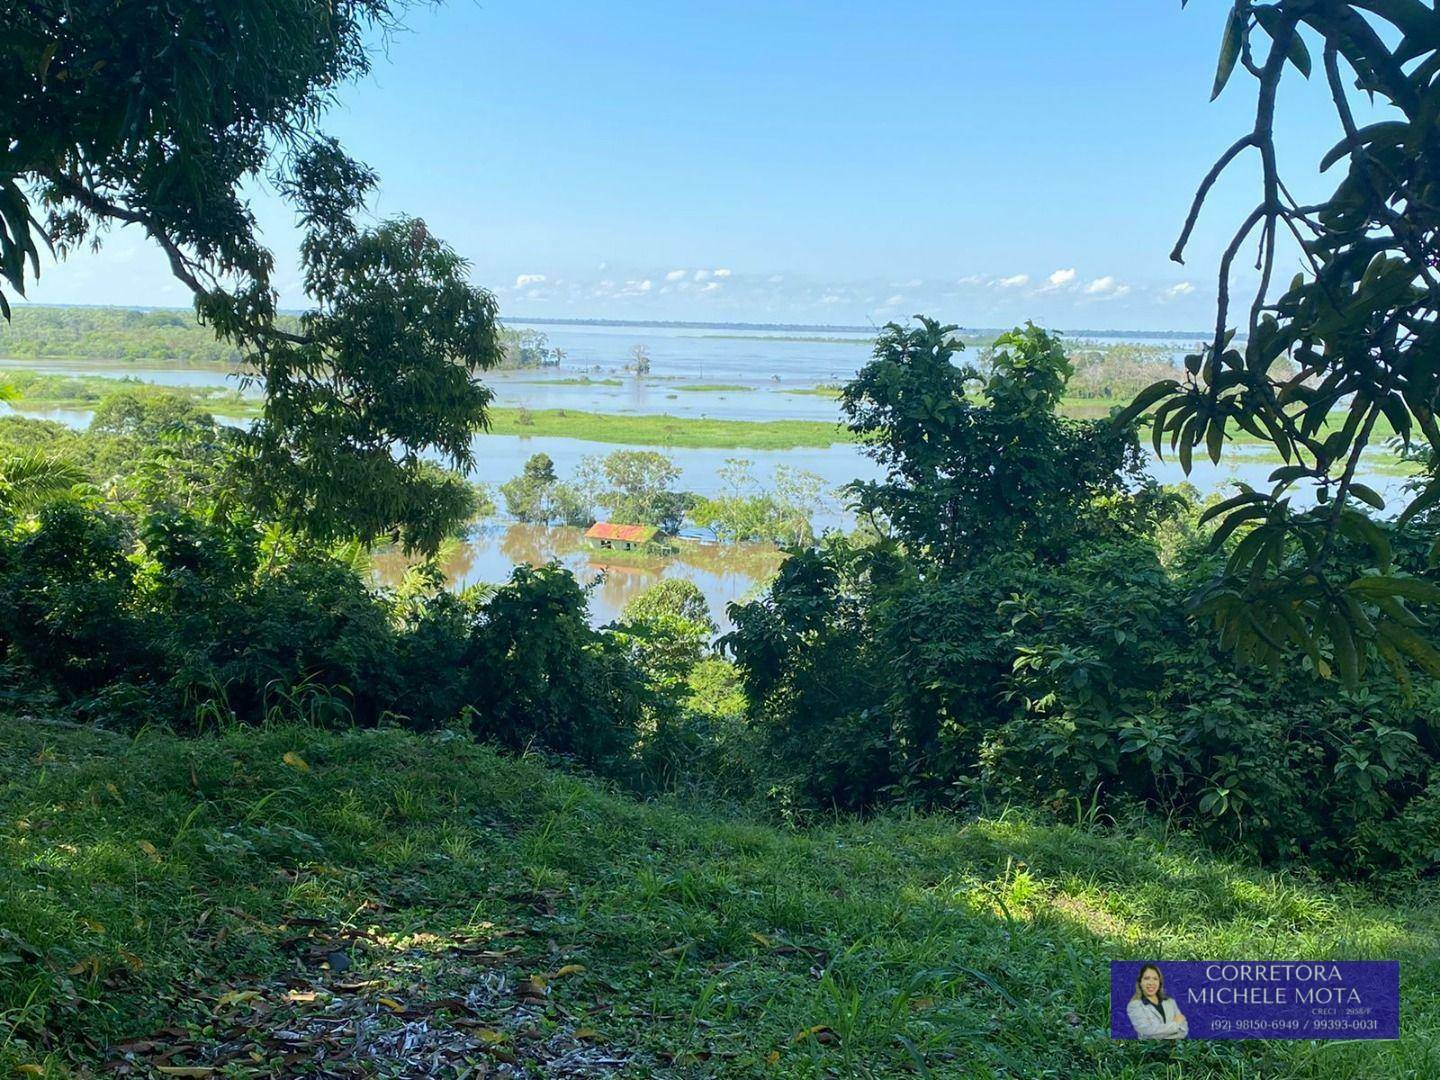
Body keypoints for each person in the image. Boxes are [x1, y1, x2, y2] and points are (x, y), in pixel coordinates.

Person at [1126, 964, 1189, 1039]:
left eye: (1155, 979)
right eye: (1147, 978)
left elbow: (1184, 1030)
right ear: (1140, 982)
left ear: (1160, 983)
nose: (1151, 983)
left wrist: (1159, 1031)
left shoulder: (1170, 1002)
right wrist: (1175, 1024)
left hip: (1175, 1047)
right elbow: (1148, 1034)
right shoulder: (1134, 1006)